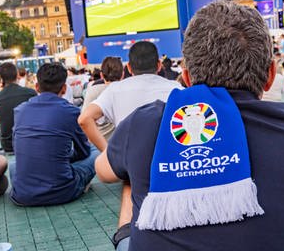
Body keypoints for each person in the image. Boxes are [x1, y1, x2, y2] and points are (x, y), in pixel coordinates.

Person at [96, 1, 284, 251]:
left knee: (129, 183)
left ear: (186, 79)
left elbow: (103, 171)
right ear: (270, 75)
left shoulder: (144, 123)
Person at [78, 41, 182, 249]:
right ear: (159, 66)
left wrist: (108, 152)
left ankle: (126, 239)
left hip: (129, 165)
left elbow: (84, 119)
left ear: (130, 68)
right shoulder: (176, 88)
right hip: (170, 163)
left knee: (130, 183)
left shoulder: (116, 89)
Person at [10, 63, 98, 206]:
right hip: (62, 192)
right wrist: (68, 157)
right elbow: (83, 151)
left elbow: (18, 150)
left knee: (14, 165)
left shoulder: (19, 110)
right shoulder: (71, 111)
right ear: (64, 89)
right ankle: (80, 184)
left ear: (37, 87)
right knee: (95, 152)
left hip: (23, 195)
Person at [0, 63, 36, 153]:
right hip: (29, 140)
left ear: (1, 78)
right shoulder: (30, 93)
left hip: (8, 145)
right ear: (17, 75)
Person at [82, 56, 124, 140]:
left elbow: (83, 119)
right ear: (122, 74)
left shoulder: (92, 90)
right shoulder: (125, 90)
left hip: (96, 142)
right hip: (120, 142)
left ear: (101, 75)